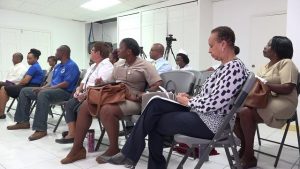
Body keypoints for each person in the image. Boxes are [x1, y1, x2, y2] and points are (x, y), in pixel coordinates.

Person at [103, 26, 250, 169]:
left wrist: (189, 101)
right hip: (203, 114)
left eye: (211, 46)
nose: (209, 50)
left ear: (223, 44)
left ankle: (133, 155)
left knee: (154, 121)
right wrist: (190, 97)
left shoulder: (234, 68)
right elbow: (213, 97)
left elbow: (215, 103)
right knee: (155, 103)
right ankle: (131, 154)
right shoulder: (226, 67)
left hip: (212, 122)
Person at [60, 38, 162, 164]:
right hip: (115, 95)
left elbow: (157, 83)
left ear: (129, 51)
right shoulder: (118, 64)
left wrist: (144, 93)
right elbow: (111, 82)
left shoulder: (145, 65)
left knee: (107, 109)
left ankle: (113, 148)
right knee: (86, 105)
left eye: (121, 47)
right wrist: (102, 83)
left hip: (133, 100)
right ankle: (78, 149)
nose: (117, 49)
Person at [233, 36, 298, 169]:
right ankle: (246, 148)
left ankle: (248, 155)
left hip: (283, 102)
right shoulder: (263, 67)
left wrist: (267, 85)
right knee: (233, 113)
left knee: (245, 112)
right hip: (265, 100)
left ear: (276, 49)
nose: (264, 47)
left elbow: (288, 87)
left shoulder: (286, 63)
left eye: (268, 45)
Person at [7, 45, 80, 141]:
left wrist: (45, 90)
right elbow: (51, 82)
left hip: (64, 93)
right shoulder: (58, 66)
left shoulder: (72, 65)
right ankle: (23, 121)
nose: (55, 54)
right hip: (53, 90)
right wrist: (42, 87)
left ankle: (41, 129)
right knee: (25, 91)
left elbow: (66, 84)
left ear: (63, 53)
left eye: (57, 52)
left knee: (43, 94)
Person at [55, 42, 114, 144]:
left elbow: (100, 86)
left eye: (91, 50)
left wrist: (85, 94)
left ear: (98, 53)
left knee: (79, 108)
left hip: (97, 96)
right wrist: (78, 90)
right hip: (86, 94)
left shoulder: (107, 66)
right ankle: (73, 133)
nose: (90, 52)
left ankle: (78, 135)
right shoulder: (93, 66)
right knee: (69, 104)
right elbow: (83, 82)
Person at [0, 49, 44, 119]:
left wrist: (16, 85)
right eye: (27, 58)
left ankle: (1, 113)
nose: (28, 60)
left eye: (30, 58)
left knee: (3, 89)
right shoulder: (34, 66)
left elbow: (25, 81)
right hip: (28, 86)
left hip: (31, 87)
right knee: (4, 88)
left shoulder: (34, 67)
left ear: (36, 58)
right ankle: (1, 113)